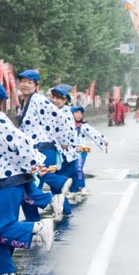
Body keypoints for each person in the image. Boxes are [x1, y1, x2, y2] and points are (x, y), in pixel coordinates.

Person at [0, 82, 55, 275]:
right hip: (0, 183)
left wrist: (35, 164)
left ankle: (38, 227)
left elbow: (21, 143)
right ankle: (5, 272)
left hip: (6, 183)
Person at [15, 69, 59, 221]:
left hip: (42, 150)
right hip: (31, 152)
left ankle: (50, 203)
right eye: (23, 81)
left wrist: (65, 143)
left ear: (36, 86)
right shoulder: (23, 102)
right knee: (28, 191)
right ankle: (36, 225)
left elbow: (59, 117)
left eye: (30, 82)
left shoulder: (38, 99)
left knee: (30, 191)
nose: (25, 85)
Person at [47, 84, 79, 213]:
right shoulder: (53, 111)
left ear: (65, 100)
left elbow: (69, 132)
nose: (55, 100)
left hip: (67, 156)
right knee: (57, 187)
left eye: (59, 98)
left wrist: (64, 142)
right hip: (59, 154)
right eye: (53, 97)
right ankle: (64, 211)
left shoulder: (65, 112)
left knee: (58, 185)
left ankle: (64, 211)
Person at [70, 104, 107, 196]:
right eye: (76, 113)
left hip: (82, 151)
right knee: (71, 170)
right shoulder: (67, 126)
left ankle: (82, 187)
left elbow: (94, 133)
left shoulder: (83, 126)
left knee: (78, 168)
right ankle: (73, 189)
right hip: (70, 152)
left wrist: (104, 140)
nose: (79, 115)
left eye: (80, 113)